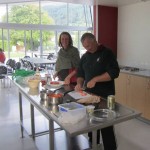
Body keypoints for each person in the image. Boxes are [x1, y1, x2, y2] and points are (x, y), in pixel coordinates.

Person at [75, 33, 120, 150]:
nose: (88, 49)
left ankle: (110, 148)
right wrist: (79, 83)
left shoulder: (107, 53)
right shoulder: (85, 56)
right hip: (90, 96)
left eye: (89, 45)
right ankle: (93, 144)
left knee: (106, 125)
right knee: (91, 122)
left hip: (105, 96)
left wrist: (96, 79)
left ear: (95, 40)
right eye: (85, 47)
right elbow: (80, 73)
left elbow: (114, 72)